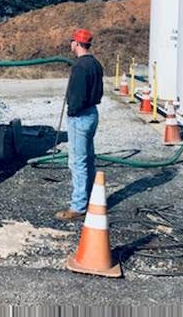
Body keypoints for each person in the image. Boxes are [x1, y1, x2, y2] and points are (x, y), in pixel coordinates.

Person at [55, 28, 104, 220]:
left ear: (76, 43)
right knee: (88, 158)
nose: (71, 45)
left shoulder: (79, 67)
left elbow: (76, 97)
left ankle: (78, 206)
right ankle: (91, 197)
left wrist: (72, 111)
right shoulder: (95, 64)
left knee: (77, 162)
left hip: (80, 117)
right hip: (92, 113)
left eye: (72, 42)